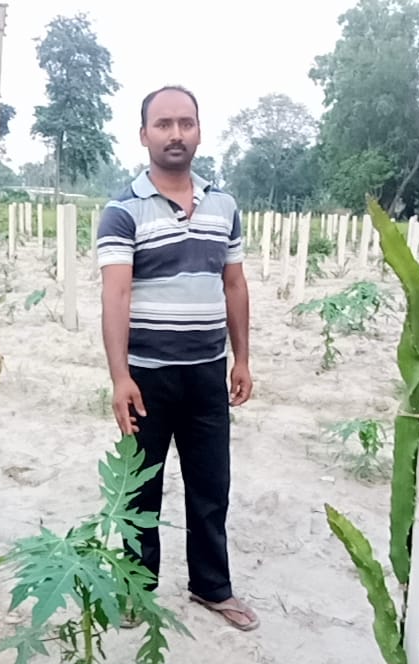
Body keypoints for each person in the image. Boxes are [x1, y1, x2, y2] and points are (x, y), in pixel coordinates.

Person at [96, 85, 259, 632]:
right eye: (163, 124)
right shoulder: (122, 212)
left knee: (211, 485)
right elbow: (116, 295)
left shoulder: (224, 207)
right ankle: (135, 591)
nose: (175, 133)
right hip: (147, 376)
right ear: (144, 135)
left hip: (208, 372)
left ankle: (212, 587)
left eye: (185, 123)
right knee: (140, 485)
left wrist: (242, 359)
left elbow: (233, 285)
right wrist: (120, 377)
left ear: (198, 131)